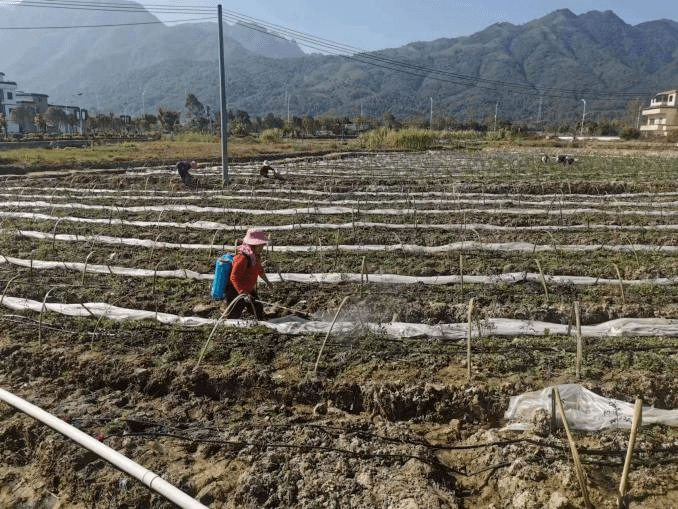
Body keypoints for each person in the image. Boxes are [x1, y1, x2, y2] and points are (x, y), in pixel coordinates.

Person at [223, 228, 273, 320]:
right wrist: (242, 293)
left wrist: (267, 281)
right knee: (234, 315)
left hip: (249, 290)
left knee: (258, 308)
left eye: (262, 246)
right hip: (236, 291)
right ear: (253, 245)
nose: (262, 248)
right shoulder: (242, 258)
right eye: (260, 246)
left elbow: (259, 270)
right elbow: (234, 277)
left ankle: (261, 323)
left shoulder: (255, 257)